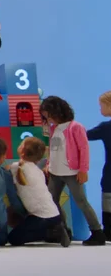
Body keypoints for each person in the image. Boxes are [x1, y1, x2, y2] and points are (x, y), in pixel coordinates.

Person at [41, 95, 106, 245]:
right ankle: (62, 229)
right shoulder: (53, 129)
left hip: (72, 172)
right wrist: (48, 164)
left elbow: (84, 149)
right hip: (55, 172)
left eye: (49, 115)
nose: (48, 119)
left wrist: (83, 169)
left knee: (81, 201)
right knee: (51, 201)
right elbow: (53, 149)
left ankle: (97, 231)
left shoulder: (75, 127)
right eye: (45, 116)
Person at [8, 137, 70, 247]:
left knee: (13, 238)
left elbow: (4, 171)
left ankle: (53, 233)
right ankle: (56, 230)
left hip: (41, 217)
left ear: (22, 150)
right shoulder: (38, 171)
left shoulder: (16, 167)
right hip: (54, 214)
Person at [87, 90, 111, 239]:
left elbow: (84, 135)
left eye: (101, 106)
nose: (100, 109)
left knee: (108, 199)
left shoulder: (105, 127)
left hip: (110, 173)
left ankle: (109, 231)